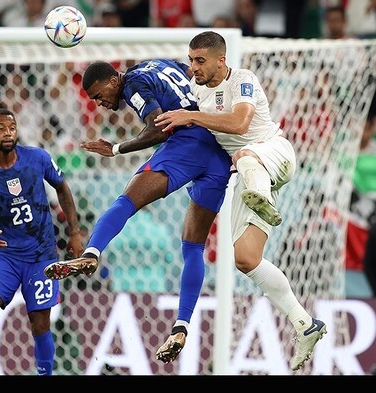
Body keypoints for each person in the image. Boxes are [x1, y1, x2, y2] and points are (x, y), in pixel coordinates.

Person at [154, 30, 327, 371]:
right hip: (250, 177)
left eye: (200, 60)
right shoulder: (194, 93)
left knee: (245, 154)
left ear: (222, 59)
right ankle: (305, 323)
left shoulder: (242, 79)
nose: (194, 67)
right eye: (190, 60)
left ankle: (261, 196)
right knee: (246, 259)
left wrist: (191, 116)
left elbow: (240, 121)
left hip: (275, 153)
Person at [43, 59, 233, 364]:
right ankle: (181, 326)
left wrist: (117, 148)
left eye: (98, 94)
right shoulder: (156, 64)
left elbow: (159, 128)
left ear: (112, 80)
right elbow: (186, 73)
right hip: (218, 152)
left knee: (125, 202)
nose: (100, 103)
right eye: (93, 100)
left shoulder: (132, 84)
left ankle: (91, 253)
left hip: (187, 145)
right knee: (192, 245)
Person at [0, 108, 83, 376]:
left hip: (41, 255)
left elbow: (62, 188)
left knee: (40, 323)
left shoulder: (38, 158)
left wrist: (75, 232)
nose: (8, 132)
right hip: (5, 255)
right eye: (0, 127)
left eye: (12, 127)